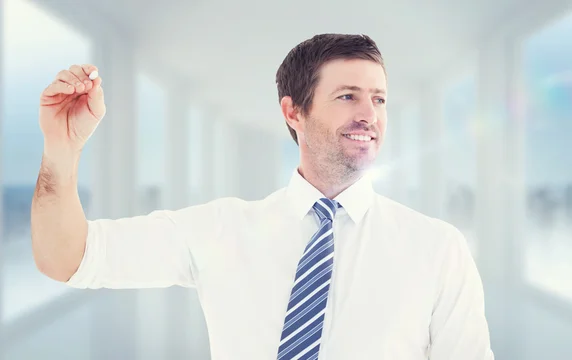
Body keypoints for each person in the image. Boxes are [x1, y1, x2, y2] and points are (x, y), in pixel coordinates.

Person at [31, 33, 494, 359]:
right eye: (348, 96)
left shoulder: (437, 248)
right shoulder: (221, 231)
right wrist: (62, 150)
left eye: (379, 99)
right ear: (293, 112)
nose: (369, 114)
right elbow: (67, 258)